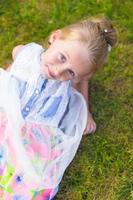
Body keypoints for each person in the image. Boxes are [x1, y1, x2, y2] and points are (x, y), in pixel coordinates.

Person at [0, 16, 117, 199]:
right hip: (7, 117)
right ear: (55, 37)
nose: (58, 71)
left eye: (71, 72)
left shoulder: (67, 84)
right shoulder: (27, 53)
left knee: (27, 176)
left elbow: (82, 83)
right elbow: (15, 61)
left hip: (33, 137)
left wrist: (86, 112)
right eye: (62, 57)